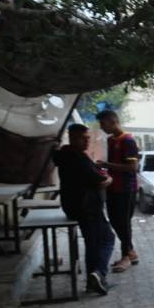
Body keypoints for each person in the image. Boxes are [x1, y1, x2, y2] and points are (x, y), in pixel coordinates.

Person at [53, 123, 116, 295]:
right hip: (87, 208)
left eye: (88, 138)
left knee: (94, 242)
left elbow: (94, 175)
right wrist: (108, 179)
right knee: (106, 240)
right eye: (84, 138)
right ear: (73, 138)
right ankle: (98, 273)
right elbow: (99, 180)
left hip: (77, 206)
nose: (87, 141)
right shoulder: (75, 157)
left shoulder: (66, 155)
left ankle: (93, 280)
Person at [96, 110, 139, 273]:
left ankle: (126, 256)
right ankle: (131, 251)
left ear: (113, 121)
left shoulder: (128, 140)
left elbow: (132, 167)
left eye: (103, 124)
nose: (101, 127)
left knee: (123, 222)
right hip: (113, 188)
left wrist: (107, 165)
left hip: (126, 189)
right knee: (114, 221)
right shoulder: (110, 140)